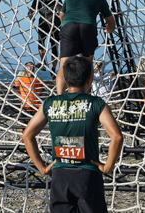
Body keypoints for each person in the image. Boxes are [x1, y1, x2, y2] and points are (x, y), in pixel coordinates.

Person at [21, 57, 123, 213]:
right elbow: (117, 137)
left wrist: (42, 167)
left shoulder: (50, 103)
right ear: (89, 79)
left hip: (60, 175)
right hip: (88, 174)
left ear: (65, 79)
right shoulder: (96, 104)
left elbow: (27, 135)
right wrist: (108, 166)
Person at [57, 0, 116, 95]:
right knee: (87, 62)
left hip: (69, 26)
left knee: (63, 64)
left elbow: (62, 16)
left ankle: (60, 96)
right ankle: (85, 93)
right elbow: (111, 22)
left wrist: (66, 27)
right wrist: (109, 30)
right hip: (88, 26)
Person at [28, 0, 63, 72]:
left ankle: (53, 69)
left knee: (54, 46)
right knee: (41, 43)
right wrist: (31, 16)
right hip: (43, 24)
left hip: (55, 25)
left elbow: (62, 9)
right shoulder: (37, 0)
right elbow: (30, 12)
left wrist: (58, 8)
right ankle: (43, 62)